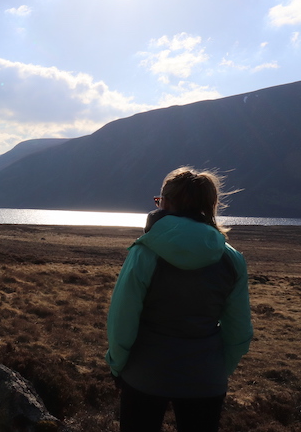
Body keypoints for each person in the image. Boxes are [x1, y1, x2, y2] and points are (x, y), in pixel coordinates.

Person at [106, 167, 253, 432]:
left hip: (144, 375)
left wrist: (117, 366)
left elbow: (122, 319)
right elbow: (240, 331)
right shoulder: (232, 259)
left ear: (167, 203)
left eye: (159, 201)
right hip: (206, 378)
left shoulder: (145, 252)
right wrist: (217, 369)